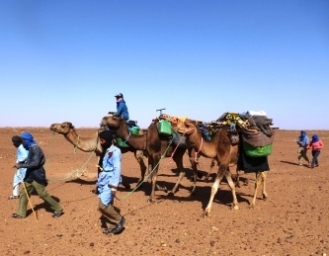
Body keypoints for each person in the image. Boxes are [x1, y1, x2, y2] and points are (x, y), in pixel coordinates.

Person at [12, 132, 63, 219]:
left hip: (37, 174)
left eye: (23, 141)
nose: (22, 143)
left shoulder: (36, 149)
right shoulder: (31, 148)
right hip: (30, 174)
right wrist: (21, 163)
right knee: (24, 193)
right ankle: (21, 213)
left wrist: (21, 166)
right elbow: (29, 161)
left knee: (42, 194)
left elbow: (35, 164)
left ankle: (58, 209)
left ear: (27, 140)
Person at [97, 130, 126, 235]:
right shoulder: (105, 150)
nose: (101, 142)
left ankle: (119, 220)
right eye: (100, 140)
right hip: (103, 180)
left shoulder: (115, 151)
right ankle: (112, 227)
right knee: (108, 203)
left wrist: (114, 187)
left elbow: (117, 169)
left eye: (102, 140)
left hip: (110, 181)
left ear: (108, 140)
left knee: (102, 205)